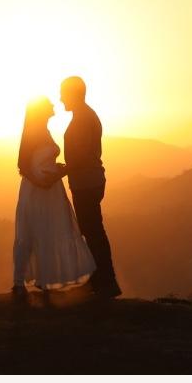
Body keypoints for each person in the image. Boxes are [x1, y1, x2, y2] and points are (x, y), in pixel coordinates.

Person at [12, 96, 96, 301]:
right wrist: (40, 181)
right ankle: (18, 283)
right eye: (48, 104)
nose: (53, 105)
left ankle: (45, 280)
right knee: (31, 233)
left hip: (50, 189)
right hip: (36, 189)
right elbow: (22, 164)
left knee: (48, 231)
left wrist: (56, 169)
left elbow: (41, 159)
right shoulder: (33, 131)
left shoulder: (45, 130)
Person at [60, 75, 121, 297]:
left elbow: (83, 155)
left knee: (93, 231)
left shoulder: (84, 118)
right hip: (88, 180)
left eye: (63, 93)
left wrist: (62, 170)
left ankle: (107, 282)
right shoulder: (85, 116)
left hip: (87, 181)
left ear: (73, 94)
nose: (60, 98)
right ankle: (99, 281)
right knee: (91, 230)